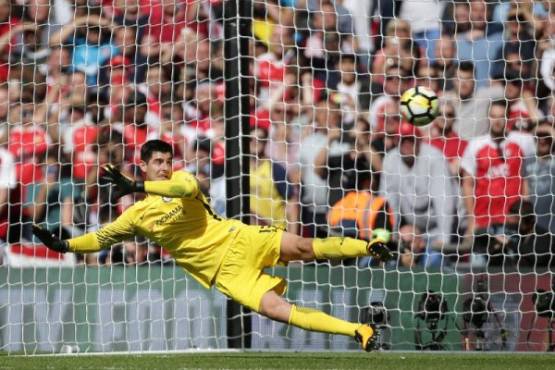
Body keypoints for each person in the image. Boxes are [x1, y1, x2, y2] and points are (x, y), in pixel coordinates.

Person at [32, 140, 393, 351]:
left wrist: (141, 187)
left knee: (301, 246)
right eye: (157, 162)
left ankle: (368, 247)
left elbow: (188, 190)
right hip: (226, 274)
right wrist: (64, 245)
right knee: (279, 310)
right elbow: (100, 238)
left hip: (240, 238)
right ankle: (358, 332)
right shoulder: (137, 216)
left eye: (167, 161)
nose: (164, 167)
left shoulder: (180, 181)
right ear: (142, 165)